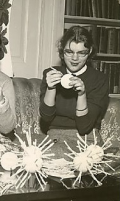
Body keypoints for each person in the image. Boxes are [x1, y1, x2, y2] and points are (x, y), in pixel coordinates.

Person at [39, 26, 109, 158]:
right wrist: (51, 88)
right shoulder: (51, 73)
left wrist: (82, 94)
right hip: (55, 138)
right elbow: (46, 117)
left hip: (87, 141)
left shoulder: (99, 79)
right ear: (61, 49)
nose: (74, 58)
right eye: (69, 52)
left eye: (81, 52)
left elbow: (84, 127)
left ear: (90, 52)